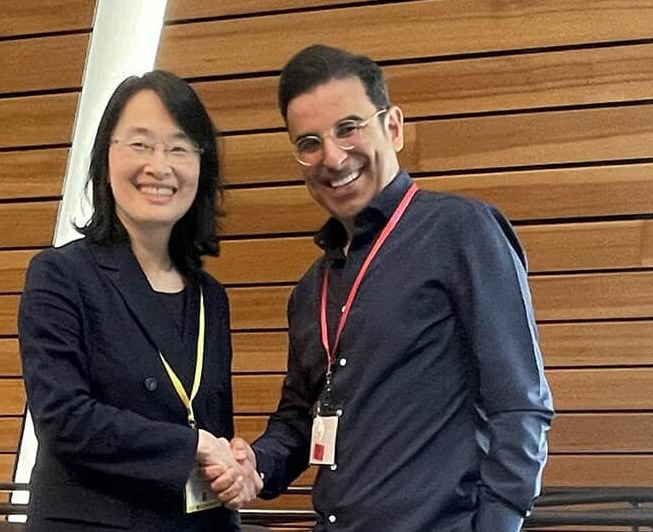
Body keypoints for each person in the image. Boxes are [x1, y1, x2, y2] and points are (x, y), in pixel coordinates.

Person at [228, 45, 555, 531]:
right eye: (310, 142)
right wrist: (252, 466)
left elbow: (520, 403)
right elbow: (298, 422)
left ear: (393, 127)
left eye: (348, 128)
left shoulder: (462, 231)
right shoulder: (309, 290)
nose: (333, 157)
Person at [18, 70, 260, 532]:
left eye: (179, 147)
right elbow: (64, 419)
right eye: (141, 144)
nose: (159, 166)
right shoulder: (61, 275)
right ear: (106, 154)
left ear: (200, 166)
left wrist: (235, 463)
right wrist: (193, 446)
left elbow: (206, 425)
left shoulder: (211, 297)